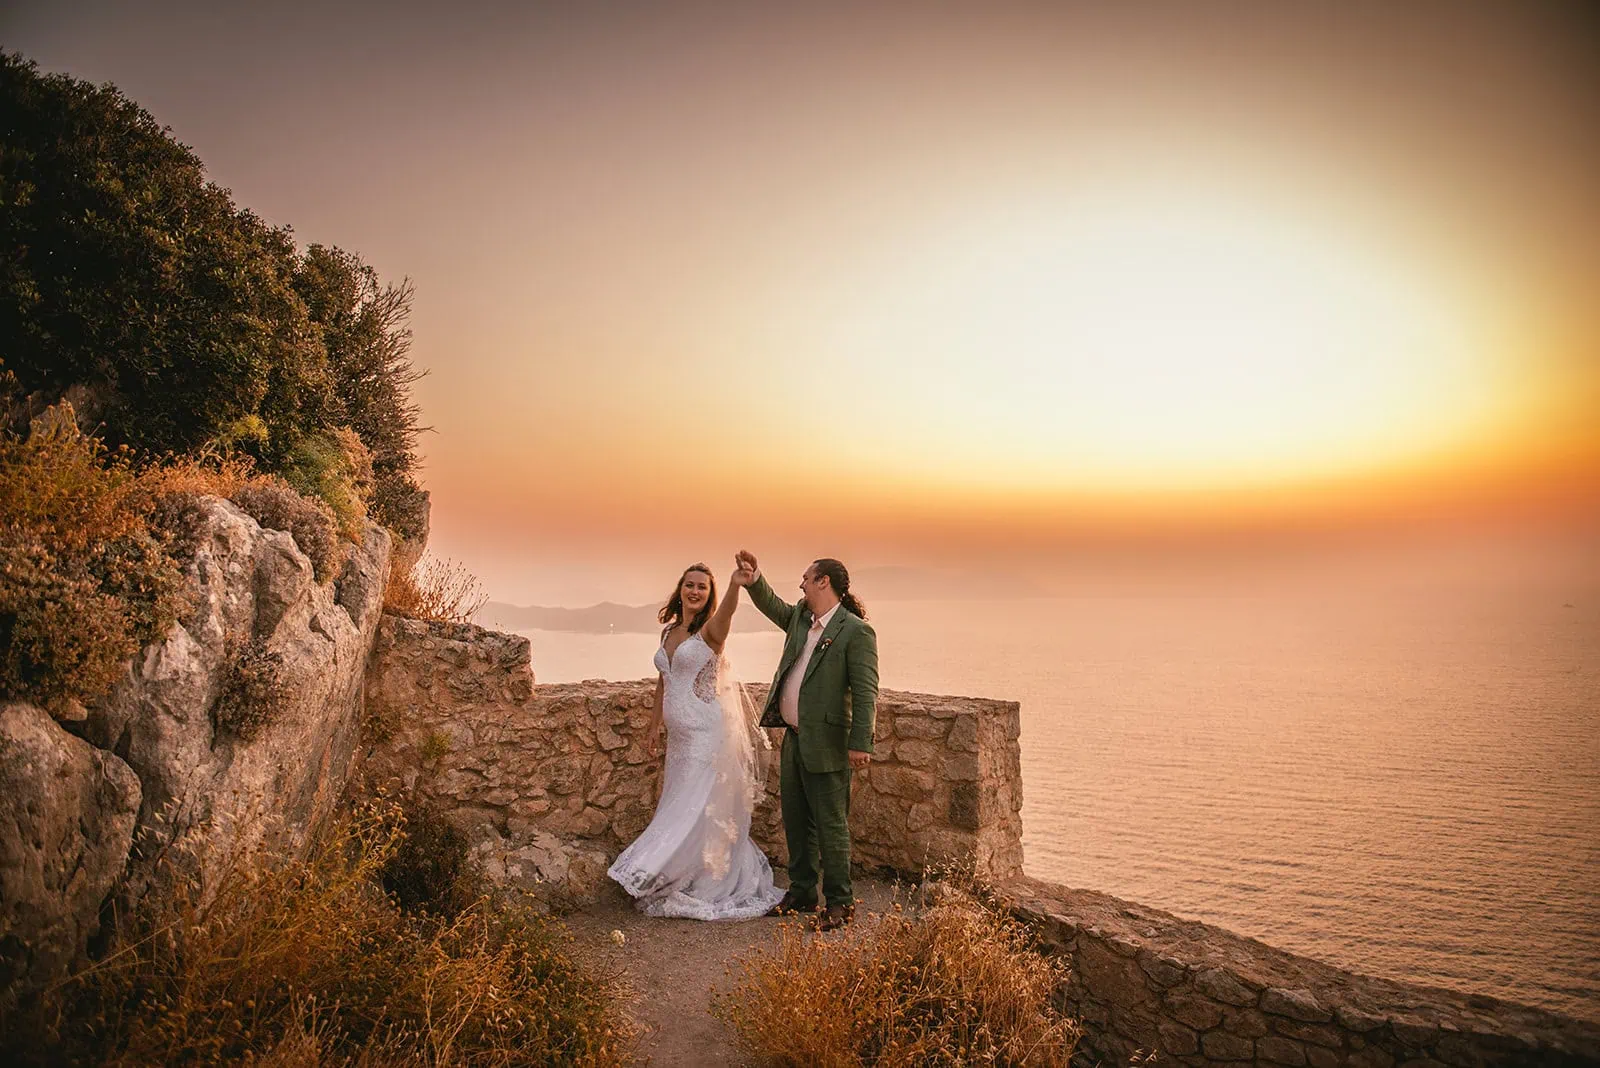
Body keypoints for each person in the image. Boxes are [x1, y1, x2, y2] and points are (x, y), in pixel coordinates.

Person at [606, 563, 781, 920]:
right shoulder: (669, 631)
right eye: (690, 585)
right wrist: (655, 725)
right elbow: (664, 681)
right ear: (680, 589)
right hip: (679, 738)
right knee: (679, 802)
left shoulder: (711, 632)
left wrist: (735, 585)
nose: (695, 592)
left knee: (696, 805)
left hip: (705, 733)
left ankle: (683, 875)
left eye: (702, 587)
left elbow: (729, 611)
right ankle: (680, 870)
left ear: (709, 594)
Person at [736, 551, 878, 932]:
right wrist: (754, 580)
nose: (800, 584)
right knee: (796, 821)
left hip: (829, 743)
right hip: (795, 739)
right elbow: (774, 607)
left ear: (823, 582)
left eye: (806, 578)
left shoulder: (855, 631)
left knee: (831, 825)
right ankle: (801, 892)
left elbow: (866, 693)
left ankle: (840, 903)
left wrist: (861, 742)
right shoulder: (801, 618)